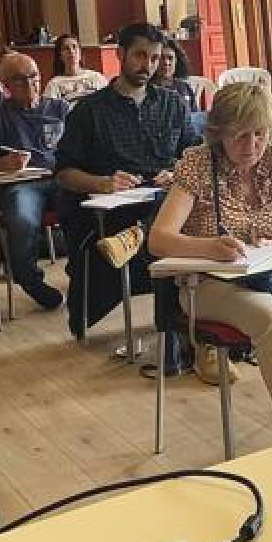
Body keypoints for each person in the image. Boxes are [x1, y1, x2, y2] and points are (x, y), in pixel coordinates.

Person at [150, 82, 272, 437]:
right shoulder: (197, 164)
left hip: (270, 267)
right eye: (240, 136)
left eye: (260, 134)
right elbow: (159, 239)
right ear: (218, 134)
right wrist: (210, 247)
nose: (251, 146)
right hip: (208, 280)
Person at [55, 22, 199, 338]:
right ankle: (171, 328)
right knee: (167, 217)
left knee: (175, 205)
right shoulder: (90, 110)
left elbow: (194, 156)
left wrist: (176, 172)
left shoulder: (172, 103)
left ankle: (141, 241)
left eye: (155, 58)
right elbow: (64, 173)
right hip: (114, 207)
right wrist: (102, 182)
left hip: (165, 198)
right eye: (139, 56)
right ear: (120, 54)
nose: (147, 66)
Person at [0, 53, 70, 311]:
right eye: (19, 80)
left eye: (34, 77)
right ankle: (29, 280)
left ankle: (83, 275)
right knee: (23, 221)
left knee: (85, 211)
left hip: (63, 178)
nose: (30, 84)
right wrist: (3, 163)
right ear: (5, 86)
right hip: (21, 184)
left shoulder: (60, 109)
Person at [45, 34, 107, 102]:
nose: (71, 52)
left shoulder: (96, 77)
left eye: (74, 47)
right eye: (66, 48)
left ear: (80, 53)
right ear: (60, 55)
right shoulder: (54, 84)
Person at [152, 38, 199, 113]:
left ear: (177, 61)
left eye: (170, 58)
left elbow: (195, 115)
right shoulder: (147, 89)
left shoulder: (185, 87)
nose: (166, 63)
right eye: (161, 58)